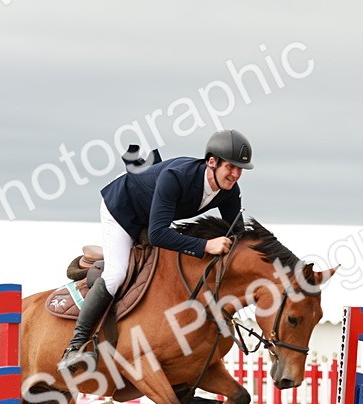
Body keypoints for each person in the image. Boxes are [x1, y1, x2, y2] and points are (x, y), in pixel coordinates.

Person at [58, 129, 254, 373]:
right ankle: (75, 346)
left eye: (240, 169)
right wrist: (205, 245)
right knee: (117, 274)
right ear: (212, 162)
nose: (235, 174)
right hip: (122, 209)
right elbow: (158, 235)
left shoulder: (229, 191)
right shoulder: (177, 176)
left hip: (152, 216)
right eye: (230, 167)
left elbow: (238, 235)